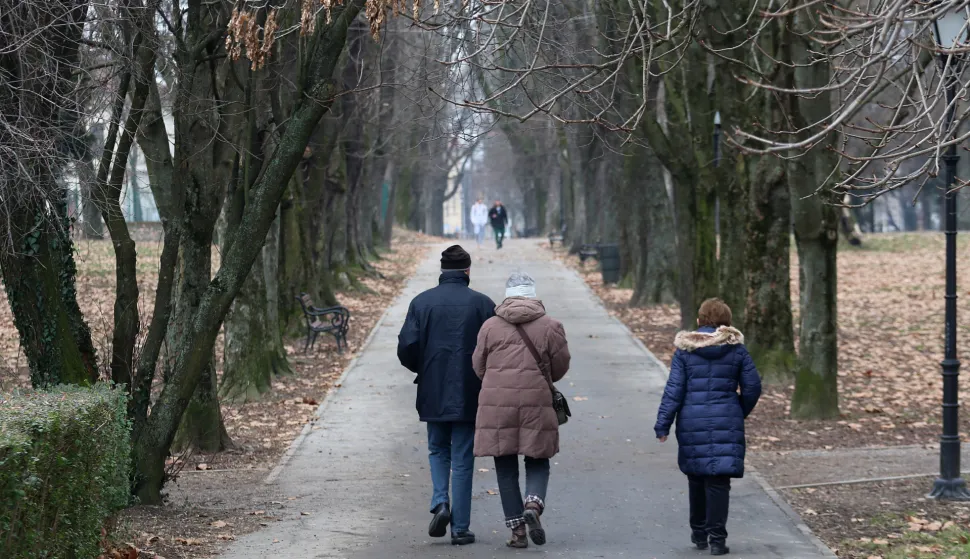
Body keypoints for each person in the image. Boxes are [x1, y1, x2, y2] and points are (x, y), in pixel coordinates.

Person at [397, 245, 496, 546]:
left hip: (433, 389)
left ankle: (441, 502)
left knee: (438, 450)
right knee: (463, 458)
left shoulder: (421, 303)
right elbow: (494, 349)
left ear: (441, 271)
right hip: (470, 390)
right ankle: (460, 528)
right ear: (467, 271)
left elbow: (406, 348)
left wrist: (425, 369)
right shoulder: (482, 305)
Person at [654, 298, 762, 556]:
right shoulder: (737, 351)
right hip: (727, 418)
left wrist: (663, 424)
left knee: (697, 476)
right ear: (727, 322)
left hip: (692, 419)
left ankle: (699, 533)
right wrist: (739, 409)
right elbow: (753, 387)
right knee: (718, 481)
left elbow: (674, 391)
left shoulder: (686, 351)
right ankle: (717, 540)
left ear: (700, 320)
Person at [472, 272, 570, 548]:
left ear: (507, 296)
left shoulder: (490, 326)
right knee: (538, 457)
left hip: (497, 405)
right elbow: (560, 367)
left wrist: (497, 382)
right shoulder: (551, 326)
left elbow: (478, 365)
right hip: (536, 401)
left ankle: (517, 532)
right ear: (533, 294)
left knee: (505, 466)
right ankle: (533, 505)